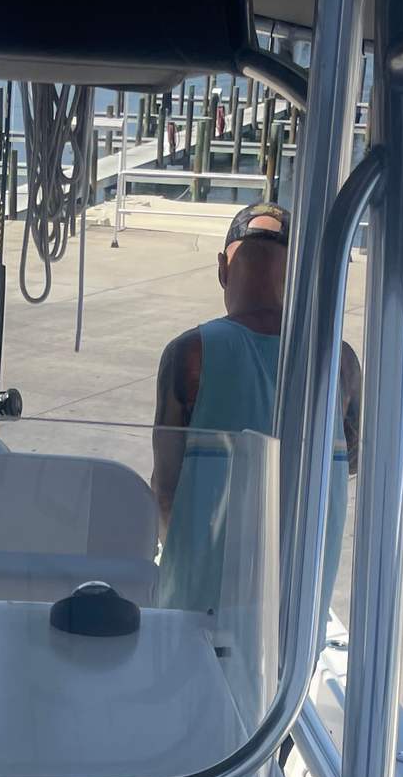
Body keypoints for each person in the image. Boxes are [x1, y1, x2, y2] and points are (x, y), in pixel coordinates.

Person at [152, 201, 360, 625]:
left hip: (201, 610)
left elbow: (166, 487)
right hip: (297, 606)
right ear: (298, 274)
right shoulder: (339, 360)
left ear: (222, 269)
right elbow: (351, 459)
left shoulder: (190, 354)